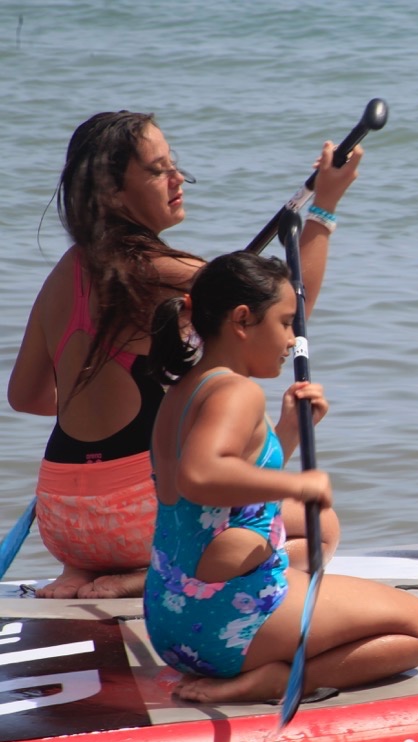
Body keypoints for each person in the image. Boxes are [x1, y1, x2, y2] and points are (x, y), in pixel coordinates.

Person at [7, 110, 354, 599]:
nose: (178, 179)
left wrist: (102, 401)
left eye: (175, 164)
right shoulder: (163, 270)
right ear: (110, 191)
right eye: (157, 169)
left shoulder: (62, 275)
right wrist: (325, 208)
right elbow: (287, 314)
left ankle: (99, 569)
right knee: (319, 528)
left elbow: (25, 396)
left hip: (63, 522)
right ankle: (150, 573)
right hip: (133, 522)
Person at [145, 252, 418, 703]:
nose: (293, 338)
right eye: (285, 323)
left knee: (309, 544)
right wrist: (298, 484)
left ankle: (269, 652)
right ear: (243, 320)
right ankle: (283, 679)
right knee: (417, 626)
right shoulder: (236, 390)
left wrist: (287, 433)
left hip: (169, 621)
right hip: (223, 630)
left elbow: (217, 490)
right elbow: (199, 474)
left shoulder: (183, 390)